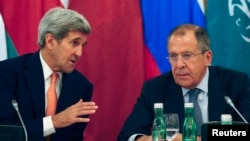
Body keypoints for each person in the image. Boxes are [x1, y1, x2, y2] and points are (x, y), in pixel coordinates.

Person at [117, 24, 250, 141]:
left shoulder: (235, 83)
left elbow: (245, 132)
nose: (179, 64)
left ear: (207, 58)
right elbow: (127, 135)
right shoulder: (155, 89)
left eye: (187, 55)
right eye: (173, 56)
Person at [0, 7, 98, 141]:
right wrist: (55, 121)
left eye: (82, 45)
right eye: (74, 43)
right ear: (50, 41)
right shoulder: (8, 73)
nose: (79, 53)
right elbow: (4, 131)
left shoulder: (82, 86)